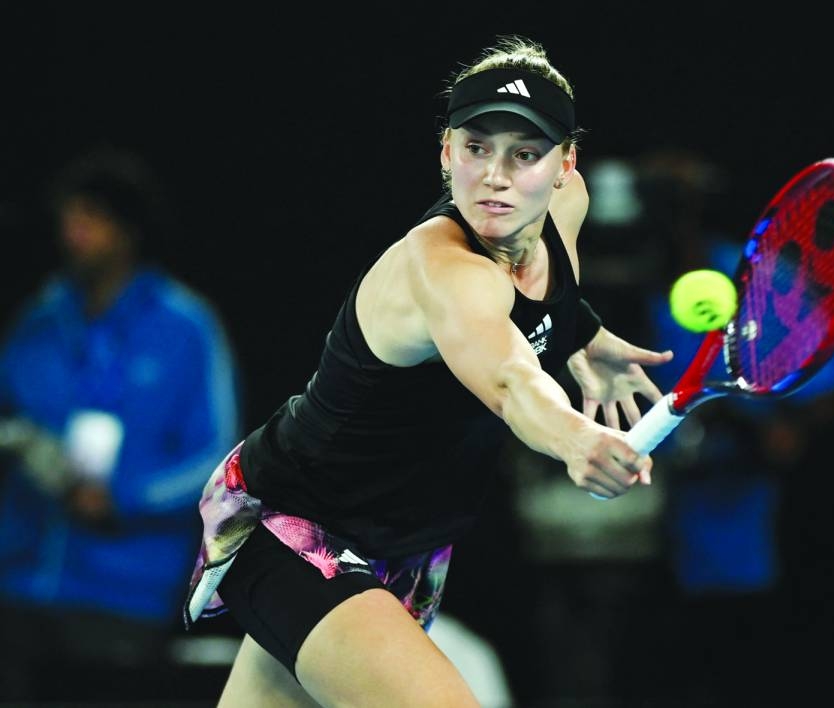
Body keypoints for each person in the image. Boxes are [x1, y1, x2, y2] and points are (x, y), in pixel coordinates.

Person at [183, 35, 673, 707]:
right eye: (477, 148)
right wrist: (575, 438)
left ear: (566, 166)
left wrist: (583, 335)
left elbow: (540, 303)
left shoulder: (567, 209)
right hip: (299, 535)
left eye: (525, 154)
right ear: (447, 152)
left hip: (403, 548)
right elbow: (508, 377)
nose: (496, 176)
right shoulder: (442, 270)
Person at [0, 147, 242, 700]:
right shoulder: (39, 317)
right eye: (67, 218)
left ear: (127, 228)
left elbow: (218, 458)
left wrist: (124, 499)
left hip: (121, 597)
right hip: (18, 582)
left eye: (89, 218)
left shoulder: (186, 326)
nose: (73, 233)